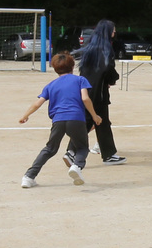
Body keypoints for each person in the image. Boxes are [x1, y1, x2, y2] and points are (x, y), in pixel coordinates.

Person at [19, 52, 103, 188]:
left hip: (58, 119)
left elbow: (37, 103)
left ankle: (28, 177)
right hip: (76, 118)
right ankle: (76, 166)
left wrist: (25, 116)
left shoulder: (51, 85)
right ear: (72, 66)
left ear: (54, 68)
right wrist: (94, 116)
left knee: (50, 148)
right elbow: (85, 99)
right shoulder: (80, 80)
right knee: (82, 148)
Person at [74, 19, 126, 165]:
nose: (115, 32)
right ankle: (72, 152)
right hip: (98, 93)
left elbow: (85, 70)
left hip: (86, 89)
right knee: (91, 120)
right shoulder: (105, 49)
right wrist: (113, 79)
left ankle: (108, 154)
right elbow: (108, 69)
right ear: (107, 31)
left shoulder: (90, 47)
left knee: (101, 122)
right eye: (113, 29)